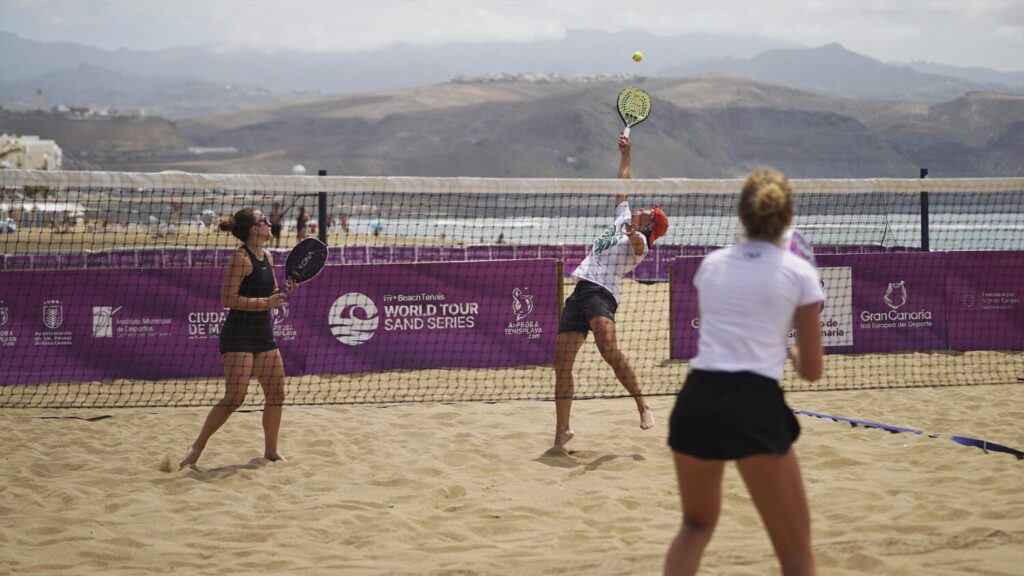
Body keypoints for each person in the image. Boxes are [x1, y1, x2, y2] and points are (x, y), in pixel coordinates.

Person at [664, 168, 824, 576]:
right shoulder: (799, 273)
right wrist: (787, 348)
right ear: (788, 216)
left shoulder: (711, 265)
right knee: (796, 553)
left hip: (696, 398)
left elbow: (725, 334)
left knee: (694, 525)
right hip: (752, 404)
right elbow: (811, 371)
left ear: (742, 215)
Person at [553, 134, 669, 447]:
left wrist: (633, 234)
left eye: (648, 212)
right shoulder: (622, 217)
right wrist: (627, 153)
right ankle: (562, 430)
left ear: (649, 225)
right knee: (561, 363)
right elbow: (623, 181)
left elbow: (635, 242)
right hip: (580, 288)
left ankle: (643, 406)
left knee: (608, 349)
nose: (642, 209)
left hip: (602, 292)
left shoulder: (641, 243)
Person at [179, 208, 297, 469]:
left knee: (277, 393)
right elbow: (228, 299)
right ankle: (197, 446)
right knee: (235, 397)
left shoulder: (267, 255)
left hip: (263, 333)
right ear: (254, 229)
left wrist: (286, 289)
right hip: (239, 334)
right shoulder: (240, 259)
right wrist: (267, 301)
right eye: (263, 220)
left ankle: (271, 451)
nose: (268, 223)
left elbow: (273, 291)